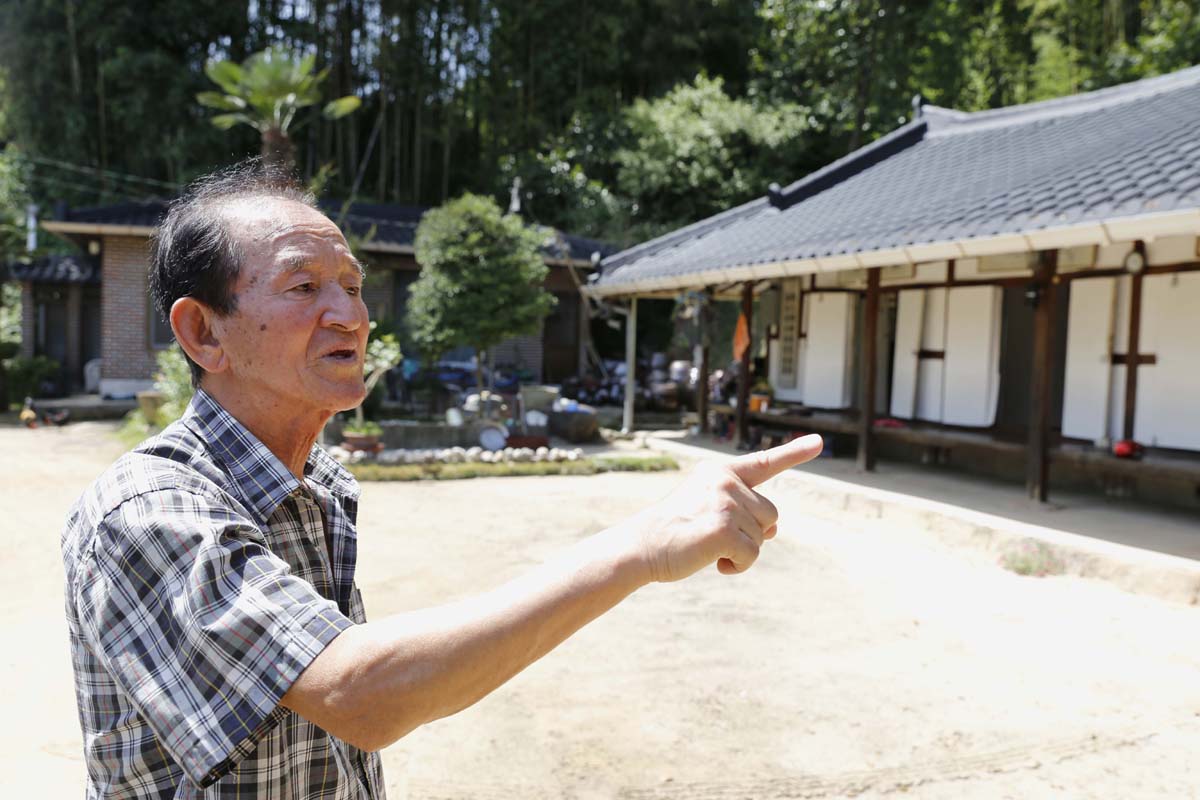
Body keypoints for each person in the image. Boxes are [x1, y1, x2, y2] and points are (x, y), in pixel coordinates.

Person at [61, 163, 824, 799]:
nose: (350, 316)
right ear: (203, 331)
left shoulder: (315, 481)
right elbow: (358, 694)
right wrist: (643, 547)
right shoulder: (148, 513)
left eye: (353, 286)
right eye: (303, 289)